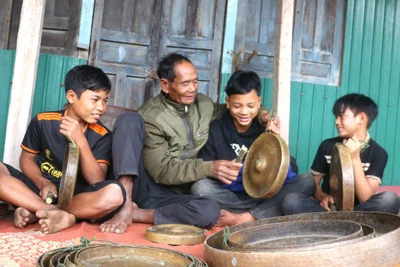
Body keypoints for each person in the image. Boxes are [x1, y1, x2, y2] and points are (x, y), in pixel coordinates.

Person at [100, 53, 275, 234]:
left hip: (175, 195)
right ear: (165, 85)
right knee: (129, 119)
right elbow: (161, 171)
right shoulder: (152, 116)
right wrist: (209, 168)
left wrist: (263, 115)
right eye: (185, 83)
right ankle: (125, 204)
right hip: (146, 185)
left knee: (209, 211)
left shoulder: (203, 105)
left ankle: (138, 214)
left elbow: (237, 106)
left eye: (195, 81)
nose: (192, 89)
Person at [0, 65, 126, 234]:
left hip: (76, 198)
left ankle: (35, 212)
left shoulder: (102, 135)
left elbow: (97, 180)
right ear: (72, 96)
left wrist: (81, 142)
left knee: (115, 194)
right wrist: (42, 181)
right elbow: (26, 159)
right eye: (95, 100)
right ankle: (53, 212)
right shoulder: (43, 121)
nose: (101, 107)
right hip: (39, 191)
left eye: (105, 100)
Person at [190, 70, 316, 226]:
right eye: (237, 106)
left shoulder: (266, 130)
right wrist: (223, 172)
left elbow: (292, 169)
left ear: (259, 102)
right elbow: (207, 170)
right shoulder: (216, 129)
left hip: (264, 194)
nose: (244, 112)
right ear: (228, 102)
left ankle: (244, 217)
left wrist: (276, 141)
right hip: (232, 195)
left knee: (307, 181)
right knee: (200, 188)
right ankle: (265, 212)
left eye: (250, 106)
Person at [281, 93, 400, 215]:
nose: (336, 122)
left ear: (361, 118)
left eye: (342, 116)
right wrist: (323, 197)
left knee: (390, 200)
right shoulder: (327, 146)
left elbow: (365, 198)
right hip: (329, 209)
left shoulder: (378, 153)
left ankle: (336, 222)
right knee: (291, 201)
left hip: (360, 210)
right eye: (336, 116)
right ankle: (344, 223)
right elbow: (314, 183)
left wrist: (355, 158)